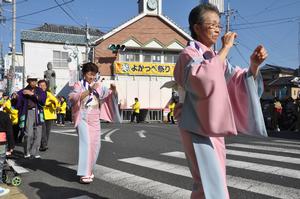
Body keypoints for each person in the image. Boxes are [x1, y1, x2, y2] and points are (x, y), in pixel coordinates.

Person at [174, 3, 268, 198]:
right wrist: (225, 49)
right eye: (212, 24)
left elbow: (237, 81)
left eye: (219, 25)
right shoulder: (188, 54)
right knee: (208, 179)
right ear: (197, 27)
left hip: (211, 125)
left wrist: (253, 66)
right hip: (195, 124)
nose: (218, 29)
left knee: (209, 180)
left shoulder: (215, 57)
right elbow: (202, 79)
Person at [69, 62, 121, 184]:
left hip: (95, 118)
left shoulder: (100, 85)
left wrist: (114, 91)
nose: (91, 77)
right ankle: (84, 173)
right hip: (82, 118)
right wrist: (90, 90)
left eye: (93, 74)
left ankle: (89, 169)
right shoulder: (79, 84)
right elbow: (73, 97)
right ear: (84, 74)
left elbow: (109, 97)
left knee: (96, 145)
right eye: (89, 74)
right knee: (86, 144)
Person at [16, 74, 46, 159]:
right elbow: (17, 102)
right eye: (31, 80)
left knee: (38, 133)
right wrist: (15, 97)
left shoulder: (40, 90)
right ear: (28, 81)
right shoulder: (23, 91)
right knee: (28, 134)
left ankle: (35, 152)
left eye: (35, 80)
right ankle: (27, 151)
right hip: (28, 112)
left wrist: (31, 94)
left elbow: (42, 101)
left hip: (38, 112)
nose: (34, 82)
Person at [38, 80, 59, 151]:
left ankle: (44, 144)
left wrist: (53, 105)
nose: (41, 87)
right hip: (41, 114)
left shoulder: (48, 93)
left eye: (43, 85)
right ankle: (43, 145)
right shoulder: (37, 93)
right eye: (40, 85)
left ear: (46, 86)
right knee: (42, 130)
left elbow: (56, 101)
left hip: (49, 115)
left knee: (47, 131)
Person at [0, 100, 15, 197]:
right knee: (0, 163)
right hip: (1, 142)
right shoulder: (4, 115)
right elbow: (9, 132)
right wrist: (11, 146)